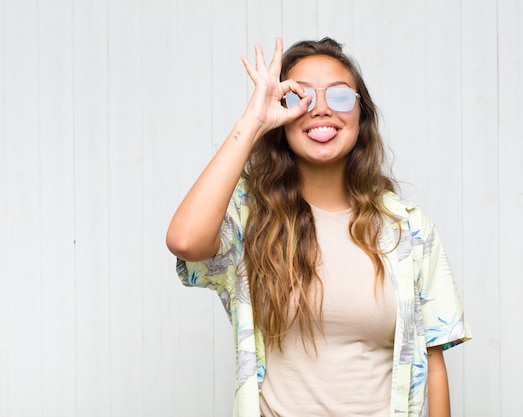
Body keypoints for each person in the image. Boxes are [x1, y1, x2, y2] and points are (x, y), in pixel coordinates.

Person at [166, 37, 471, 417]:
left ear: (362, 115)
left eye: (340, 97)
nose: (322, 109)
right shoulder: (251, 217)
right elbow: (184, 240)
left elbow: (433, 357)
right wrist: (252, 122)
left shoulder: (406, 226)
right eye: (300, 98)